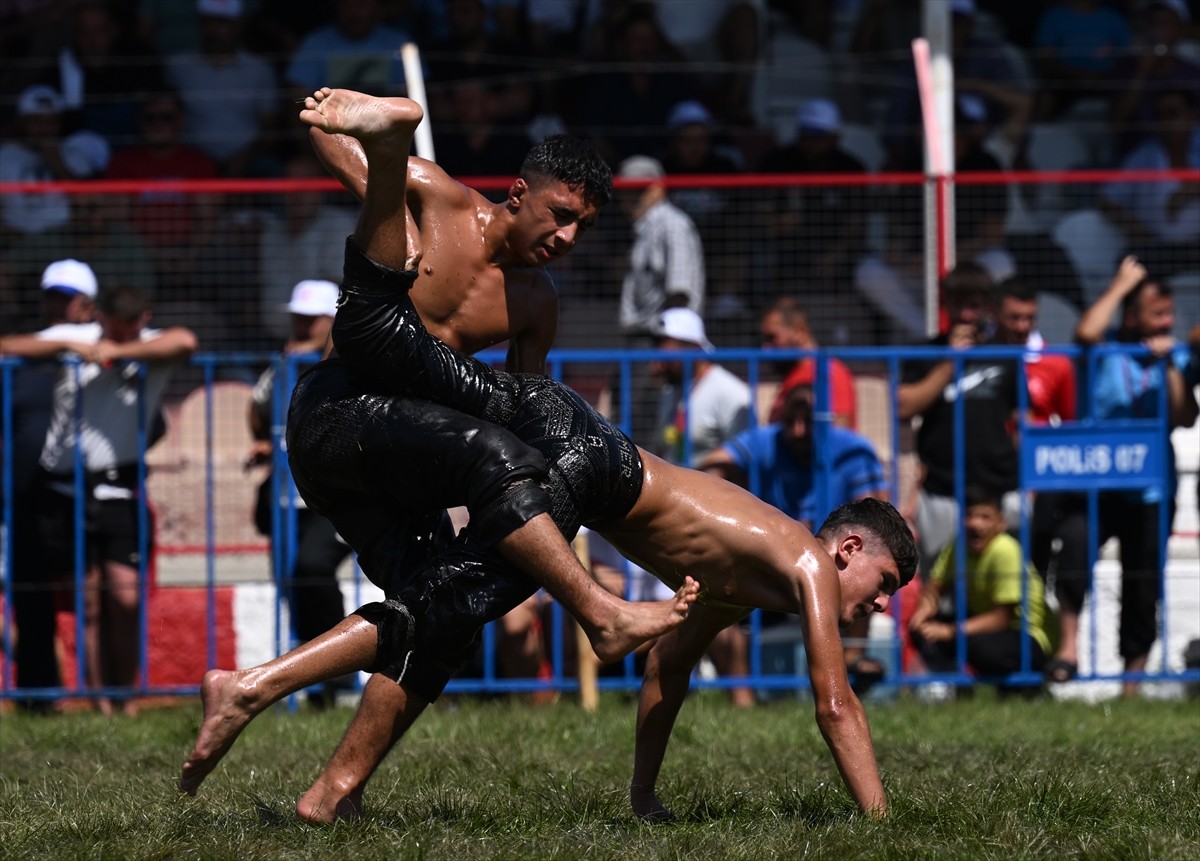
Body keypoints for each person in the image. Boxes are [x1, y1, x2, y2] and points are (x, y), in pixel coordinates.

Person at [178, 90, 917, 824]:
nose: (565, 237)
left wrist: (643, 796)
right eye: (559, 215)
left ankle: (324, 781)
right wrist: (378, 172)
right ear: (518, 193)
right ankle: (599, 614)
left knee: (437, 620)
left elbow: (526, 419)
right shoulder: (440, 199)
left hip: (408, 439)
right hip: (345, 403)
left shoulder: (535, 300)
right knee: (453, 502)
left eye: (583, 228)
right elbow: (327, 134)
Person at [1, 284, 197, 715]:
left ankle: (124, 697)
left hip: (120, 486)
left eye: (129, 330)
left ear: (143, 320)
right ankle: (99, 705)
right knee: (87, 601)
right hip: (67, 485)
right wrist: (72, 343)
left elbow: (185, 340)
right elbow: (7, 346)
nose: (120, 335)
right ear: (101, 318)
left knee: (124, 598)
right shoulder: (79, 339)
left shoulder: (146, 344)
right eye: (112, 328)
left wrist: (118, 352)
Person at [701, 382, 891, 695]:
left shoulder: (854, 451)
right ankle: (742, 701)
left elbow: (877, 520)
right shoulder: (766, 441)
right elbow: (708, 472)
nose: (799, 431)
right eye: (791, 421)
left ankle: (852, 663)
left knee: (867, 567)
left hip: (831, 567)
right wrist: (742, 512)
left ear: (826, 423)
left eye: (808, 423)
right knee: (710, 595)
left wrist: (821, 539)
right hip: (770, 566)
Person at [1069, 255, 1199, 696]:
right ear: (1132, 313)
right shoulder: (1106, 348)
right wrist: (1121, 285)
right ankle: (1067, 653)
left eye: (1169, 312)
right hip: (1099, 484)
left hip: (1151, 490)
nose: (1166, 319)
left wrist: (1169, 367)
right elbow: (1084, 332)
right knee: (1074, 551)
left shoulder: (1174, 355)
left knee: (1143, 581)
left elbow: (1184, 416)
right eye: (1156, 311)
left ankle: (1131, 683)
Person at [247, 279, 352, 706]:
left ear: (334, 322)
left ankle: (340, 670)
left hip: (340, 495)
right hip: (291, 497)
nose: (302, 325)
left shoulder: (352, 365)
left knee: (310, 567)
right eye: (298, 317)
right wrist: (266, 441)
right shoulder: (281, 366)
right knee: (296, 580)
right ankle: (322, 683)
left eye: (311, 319)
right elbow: (257, 409)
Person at [0, 259, 98, 709]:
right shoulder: (26, 357)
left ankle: (108, 698)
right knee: (31, 597)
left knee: (99, 599)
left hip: (85, 495)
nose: (58, 306)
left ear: (88, 305)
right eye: (51, 296)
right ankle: (38, 695)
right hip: (24, 498)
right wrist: (61, 343)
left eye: (68, 298)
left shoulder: (103, 351)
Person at [897, 262, 1022, 576]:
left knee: (1004, 578)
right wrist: (950, 362)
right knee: (942, 582)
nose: (967, 315)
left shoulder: (1006, 354)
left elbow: (1021, 419)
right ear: (945, 304)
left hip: (1000, 489)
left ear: (988, 308)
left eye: (975, 306)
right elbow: (905, 405)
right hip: (943, 489)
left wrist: (1027, 482)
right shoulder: (925, 353)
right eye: (959, 304)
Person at [908, 485, 1051, 689]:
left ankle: (1024, 687)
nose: (975, 524)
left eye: (985, 517)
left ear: (1001, 523)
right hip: (984, 628)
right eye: (970, 516)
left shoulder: (1005, 550)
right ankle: (951, 686)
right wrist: (925, 609)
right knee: (919, 630)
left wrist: (949, 631)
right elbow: (935, 586)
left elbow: (1002, 618)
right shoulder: (958, 545)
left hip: (1027, 636)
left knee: (976, 645)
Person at [165, 0, 281, 178]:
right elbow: (165, 116)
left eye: (222, 22)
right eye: (207, 22)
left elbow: (270, 128)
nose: (213, 29)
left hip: (250, 159)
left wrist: (243, 158)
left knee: (275, 171)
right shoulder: (177, 67)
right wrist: (198, 161)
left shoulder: (259, 69)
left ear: (239, 25)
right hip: (190, 160)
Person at [1098, 87, 1200, 280]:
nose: (1167, 121)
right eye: (1160, 116)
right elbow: (1106, 200)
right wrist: (1136, 229)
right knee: (1130, 265)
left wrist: (1190, 192)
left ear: (1192, 115)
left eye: (1173, 113)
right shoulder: (1145, 156)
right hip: (1158, 248)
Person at [0, 85, 111, 238]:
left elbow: (90, 205)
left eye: (52, 121)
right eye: (37, 121)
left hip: (69, 242)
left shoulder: (76, 156)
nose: (45, 128)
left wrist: (56, 161)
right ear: (21, 121)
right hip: (18, 244)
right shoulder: (4, 157)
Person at [649, 307, 750, 466]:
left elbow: (743, 460)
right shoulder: (669, 392)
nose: (659, 361)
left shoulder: (731, 393)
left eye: (666, 353)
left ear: (693, 348)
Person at [759, 296, 857, 427]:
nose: (765, 348)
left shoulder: (827, 373)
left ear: (800, 331)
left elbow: (839, 434)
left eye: (772, 338)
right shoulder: (794, 377)